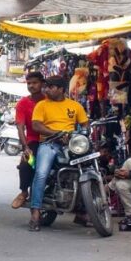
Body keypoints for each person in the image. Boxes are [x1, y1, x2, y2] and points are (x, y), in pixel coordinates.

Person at [28, 75, 89, 231]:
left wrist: (83, 133)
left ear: (61, 89)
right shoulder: (41, 105)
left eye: (50, 87)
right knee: (41, 173)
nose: (46, 89)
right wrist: (57, 133)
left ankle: (83, 210)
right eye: (46, 86)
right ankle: (35, 212)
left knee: (89, 167)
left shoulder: (75, 106)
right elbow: (36, 125)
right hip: (49, 144)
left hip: (71, 144)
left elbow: (85, 124)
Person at [11, 71, 44, 209]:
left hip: (54, 140)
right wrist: (26, 147)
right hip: (33, 141)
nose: (31, 86)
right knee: (26, 163)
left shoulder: (50, 100)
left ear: (42, 83)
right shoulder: (23, 103)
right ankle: (24, 192)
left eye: (35, 83)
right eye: (29, 83)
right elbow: (20, 127)